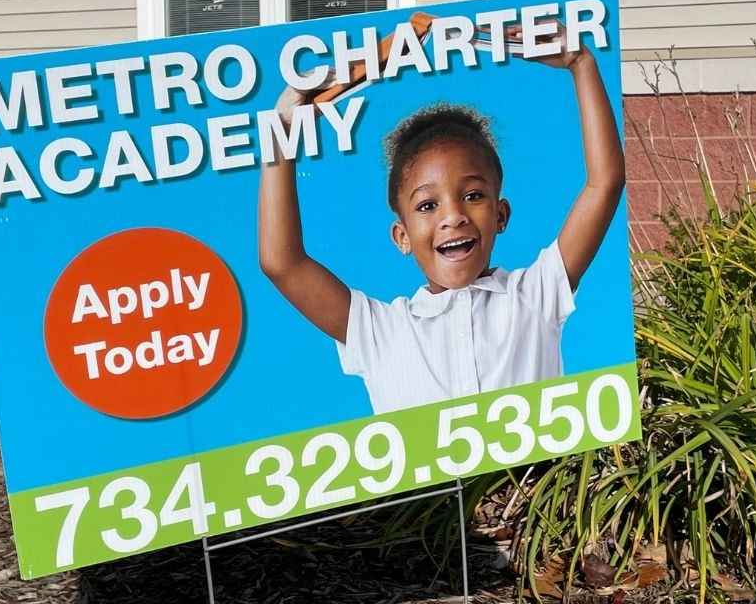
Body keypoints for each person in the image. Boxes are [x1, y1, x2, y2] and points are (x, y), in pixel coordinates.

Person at [258, 25, 625, 414]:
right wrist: (281, 132)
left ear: (501, 215)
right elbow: (283, 263)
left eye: (472, 196)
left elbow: (605, 183)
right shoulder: (379, 330)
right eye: (427, 206)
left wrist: (581, 63)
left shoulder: (535, 295)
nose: (453, 216)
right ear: (401, 236)